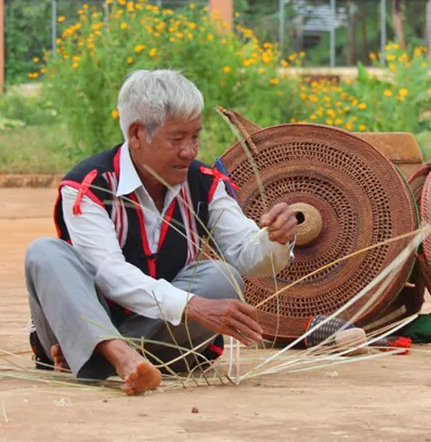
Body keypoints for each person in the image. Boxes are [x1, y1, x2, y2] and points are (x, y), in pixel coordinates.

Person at [25, 69, 300, 395]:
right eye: (177, 138)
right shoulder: (90, 185)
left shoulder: (204, 183)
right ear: (137, 134)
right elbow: (109, 274)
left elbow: (247, 255)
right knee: (44, 253)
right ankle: (114, 353)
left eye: (195, 136)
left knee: (221, 277)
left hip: (158, 338)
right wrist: (191, 306)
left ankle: (91, 356)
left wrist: (276, 239)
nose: (190, 151)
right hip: (84, 318)